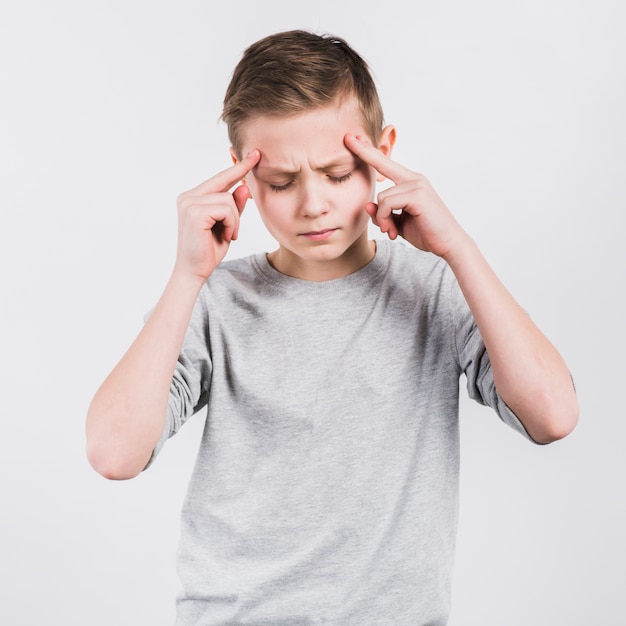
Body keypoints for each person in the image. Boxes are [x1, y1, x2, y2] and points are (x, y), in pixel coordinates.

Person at [86, 29, 578, 625]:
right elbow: (114, 454)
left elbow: (553, 416)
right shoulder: (216, 301)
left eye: (339, 174)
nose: (313, 203)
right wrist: (187, 277)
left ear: (382, 150)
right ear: (242, 177)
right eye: (281, 182)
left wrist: (459, 250)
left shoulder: (432, 289)